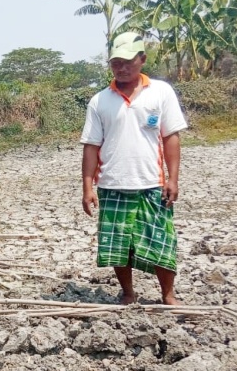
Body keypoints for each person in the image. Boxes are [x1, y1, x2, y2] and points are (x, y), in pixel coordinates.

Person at [80, 32, 188, 305]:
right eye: (116, 62)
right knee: (118, 246)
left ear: (142, 59)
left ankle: (168, 295)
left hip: (152, 184)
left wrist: (173, 179)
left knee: (162, 241)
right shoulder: (100, 100)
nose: (122, 67)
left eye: (128, 61)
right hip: (112, 185)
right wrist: (87, 187)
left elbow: (170, 137)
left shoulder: (161, 92)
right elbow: (91, 146)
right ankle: (128, 293)